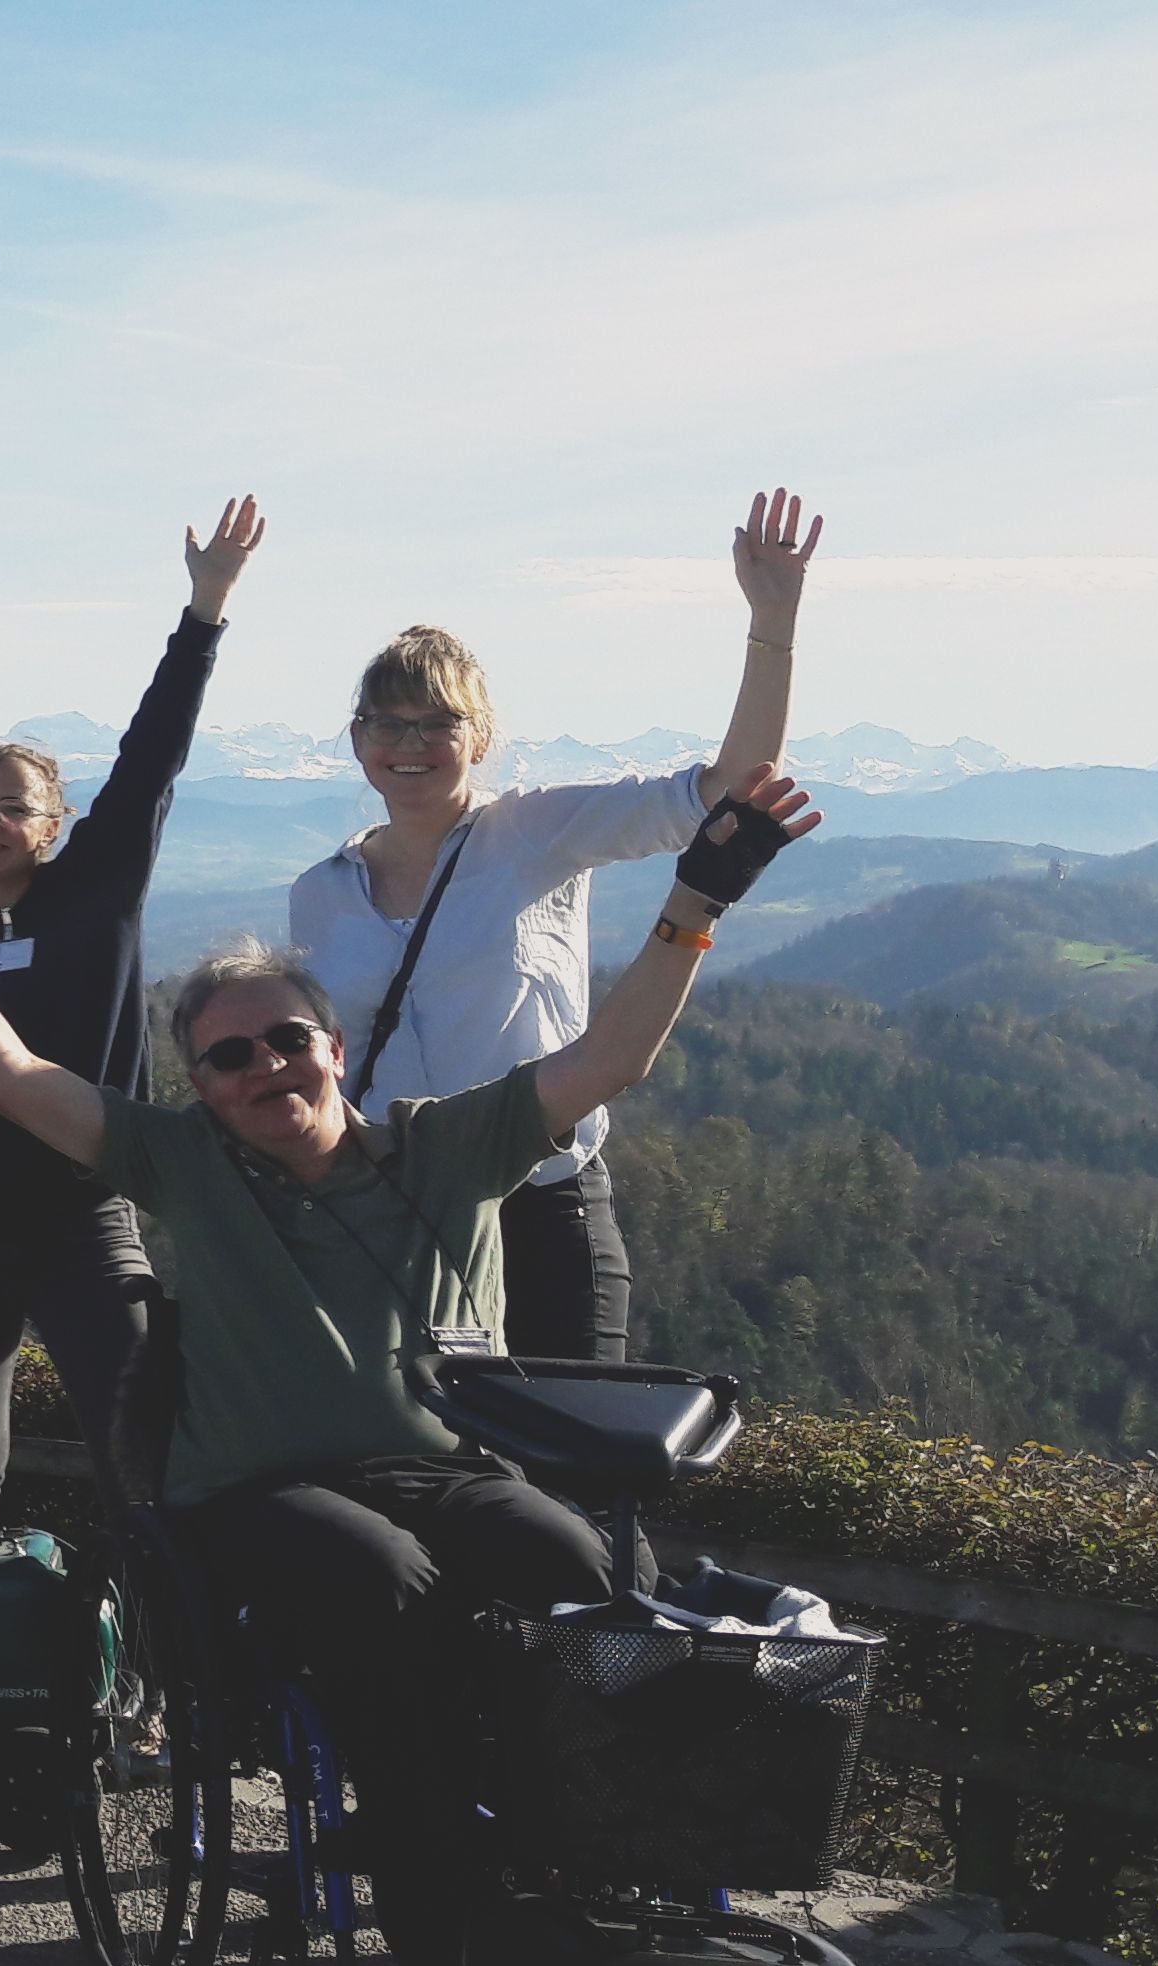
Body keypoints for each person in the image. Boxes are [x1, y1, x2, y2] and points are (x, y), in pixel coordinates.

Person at [0, 769, 817, 1966]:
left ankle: (591, 1858)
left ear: (336, 1048)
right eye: (230, 1057)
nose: (265, 1068)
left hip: (447, 1471)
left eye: (289, 1039)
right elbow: (8, 1077)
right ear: (201, 1085)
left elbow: (611, 1054)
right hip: (264, 1493)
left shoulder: (450, 1145)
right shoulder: (182, 1163)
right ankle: (442, 1928)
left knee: (580, 1569)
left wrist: (695, 899)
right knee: (381, 1581)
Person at [285, 490, 823, 1360]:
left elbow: (731, 788)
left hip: (540, 1201)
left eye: (438, 723)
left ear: (482, 737)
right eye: (389, 723)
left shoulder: (537, 833)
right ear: (357, 740)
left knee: (570, 1462)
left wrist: (773, 623)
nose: (411, 743)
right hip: (384, 1213)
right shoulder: (320, 894)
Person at [0, 500, 264, 1526]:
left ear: (56, 822)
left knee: (143, 1460)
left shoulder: (92, 897)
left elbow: (153, 755)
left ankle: (162, 1663)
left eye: (12, 807)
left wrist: (205, 606)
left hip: (79, 1220)